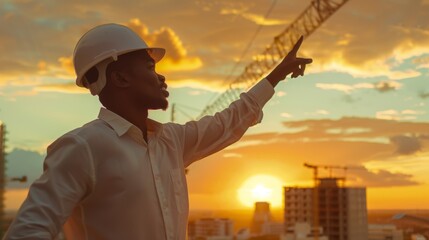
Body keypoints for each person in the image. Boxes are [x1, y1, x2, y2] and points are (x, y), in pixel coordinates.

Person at [3, 23, 312, 240]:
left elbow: (228, 122)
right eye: (149, 68)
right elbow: (28, 231)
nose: (161, 77)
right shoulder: (83, 147)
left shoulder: (172, 141)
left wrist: (276, 76)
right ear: (121, 77)